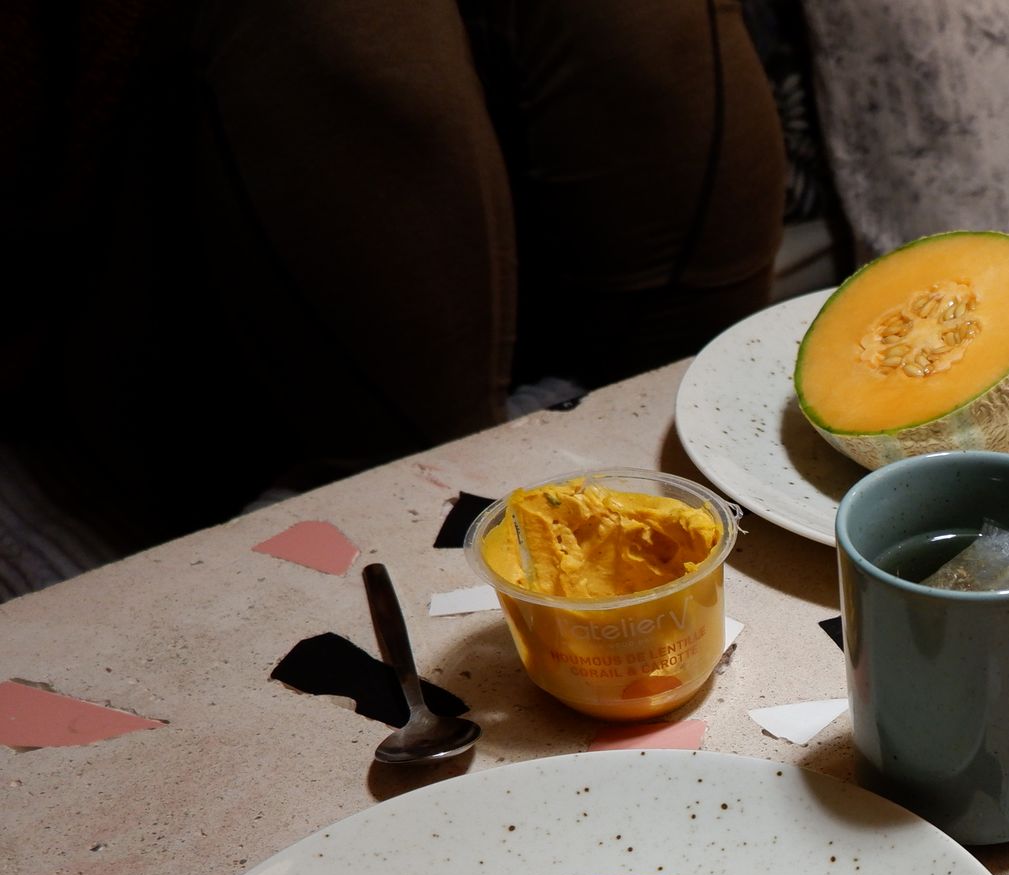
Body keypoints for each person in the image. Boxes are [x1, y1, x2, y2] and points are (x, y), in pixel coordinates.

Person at [4, 0, 785, 548]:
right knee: (347, 28)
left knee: (642, 24)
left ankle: (700, 483)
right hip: (157, 294)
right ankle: (441, 540)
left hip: (578, 290)